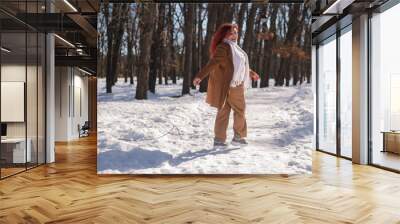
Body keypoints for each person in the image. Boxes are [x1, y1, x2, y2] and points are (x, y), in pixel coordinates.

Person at [193, 23, 260, 147]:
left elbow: (239, 66)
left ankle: (219, 140)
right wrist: (200, 76)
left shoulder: (235, 48)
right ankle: (238, 137)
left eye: (236, 32)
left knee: (223, 112)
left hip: (231, 84)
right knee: (239, 111)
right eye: (231, 33)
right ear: (225, 35)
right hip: (232, 85)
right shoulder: (224, 47)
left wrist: (251, 73)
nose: (234, 35)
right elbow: (213, 63)